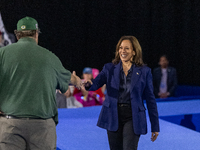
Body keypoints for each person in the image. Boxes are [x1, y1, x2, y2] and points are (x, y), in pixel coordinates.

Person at [0, 16, 82, 150]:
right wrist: (77, 80)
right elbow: (69, 80)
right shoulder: (50, 57)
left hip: (10, 124)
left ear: (17, 34)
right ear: (36, 34)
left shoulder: (2, 54)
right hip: (42, 127)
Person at [85, 36, 160, 150]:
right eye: (120, 48)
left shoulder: (145, 71)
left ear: (134, 51)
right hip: (113, 114)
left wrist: (155, 126)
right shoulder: (109, 68)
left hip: (133, 116)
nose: (122, 51)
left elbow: (150, 100)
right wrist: (86, 84)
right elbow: (95, 84)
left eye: (127, 48)